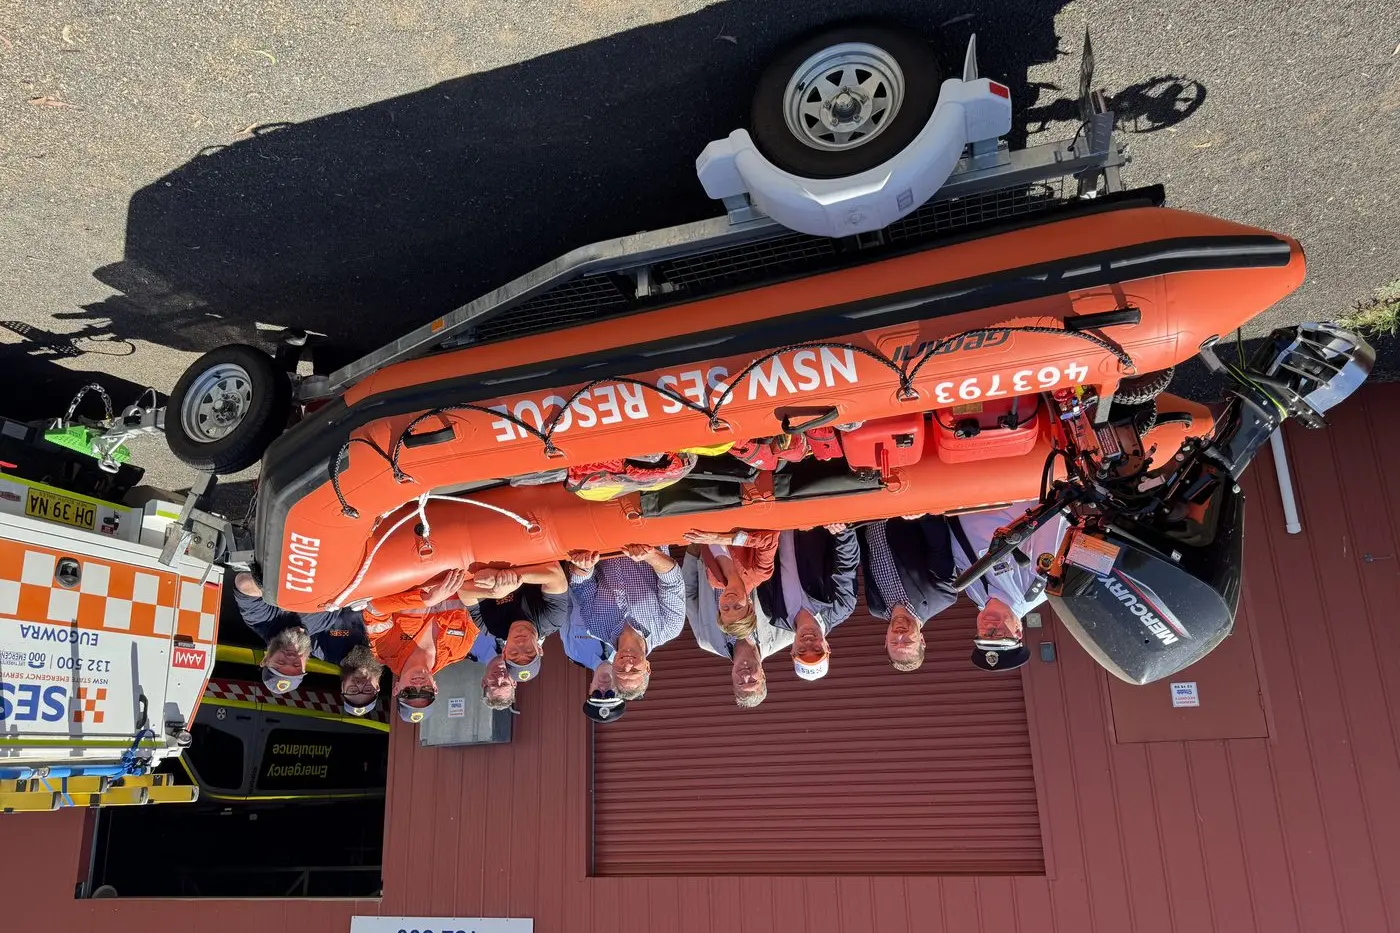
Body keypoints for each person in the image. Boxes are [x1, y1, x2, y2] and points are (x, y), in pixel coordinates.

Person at [233, 572, 382, 716]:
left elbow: (244, 584)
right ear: (306, 665)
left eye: (281, 662)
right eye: (296, 665)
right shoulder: (320, 637)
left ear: (265, 660)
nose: (291, 658)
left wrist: (289, 593)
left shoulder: (262, 621)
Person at [950, 501, 1070, 672]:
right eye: (999, 635)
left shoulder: (977, 598)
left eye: (984, 635)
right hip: (992, 489)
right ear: (1018, 632)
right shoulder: (1038, 583)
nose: (989, 627)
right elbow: (1051, 515)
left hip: (954, 502)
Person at [567, 545, 685, 701]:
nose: (627, 665)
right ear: (647, 668)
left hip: (600, 542)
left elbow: (582, 587)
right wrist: (649, 555)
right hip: (644, 536)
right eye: (634, 671)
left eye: (621, 671)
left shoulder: (595, 627)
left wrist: (583, 568)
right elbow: (673, 579)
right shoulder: (669, 627)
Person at [682, 547, 794, 708]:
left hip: (710, 549)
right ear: (763, 675)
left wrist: (694, 550)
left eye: (740, 682)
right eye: (753, 681)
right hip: (752, 545)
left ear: (732, 679)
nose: (745, 676)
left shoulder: (706, 639)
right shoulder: (785, 633)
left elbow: (688, 594)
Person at [363, 568, 479, 723]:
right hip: (462, 567)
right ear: (435, 689)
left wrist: (426, 599)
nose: (418, 685)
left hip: (415, 566)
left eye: (409, 693)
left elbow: (373, 609)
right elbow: (480, 609)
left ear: (396, 689)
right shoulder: (459, 650)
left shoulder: (382, 649)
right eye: (425, 692)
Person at [755, 525, 859, 682]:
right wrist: (842, 529)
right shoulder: (842, 606)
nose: (808, 642)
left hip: (772, 520)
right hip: (812, 513)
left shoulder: (774, 613)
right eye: (817, 649)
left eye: (802, 650)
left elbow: (761, 566)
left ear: (792, 651)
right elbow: (847, 562)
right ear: (827, 647)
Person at [857, 515, 959, 672]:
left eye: (894, 643)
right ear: (922, 640)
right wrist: (920, 509)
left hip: (866, 512)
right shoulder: (942, 596)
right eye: (907, 641)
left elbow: (865, 556)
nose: (899, 636)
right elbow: (937, 544)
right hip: (902, 504)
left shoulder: (876, 607)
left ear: (885, 641)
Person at [463, 563, 570, 711]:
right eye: (528, 651)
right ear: (539, 649)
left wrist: (495, 593)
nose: (521, 644)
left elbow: (463, 590)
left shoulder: (489, 626)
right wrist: (509, 579)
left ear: (505, 652)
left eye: (514, 653)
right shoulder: (551, 620)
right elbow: (555, 574)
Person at [681, 527, 778, 639]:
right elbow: (770, 540)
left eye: (725, 608)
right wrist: (721, 539)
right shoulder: (760, 573)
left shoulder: (714, 580)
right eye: (737, 607)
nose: (730, 601)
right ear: (750, 606)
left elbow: (703, 541)